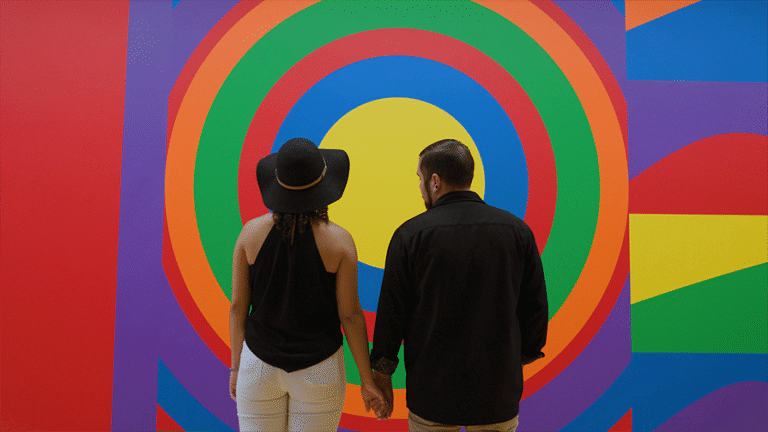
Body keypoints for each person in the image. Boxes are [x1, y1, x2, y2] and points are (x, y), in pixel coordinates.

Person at [370, 139, 548, 431]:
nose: (419, 186)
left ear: (435, 181)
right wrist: (519, 358)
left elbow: (392, 312)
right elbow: (535, 308)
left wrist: (383, 373)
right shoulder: (517, 232)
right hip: (497, 392)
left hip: (432, 394)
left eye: (420, 178)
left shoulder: (410, 235)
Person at [230, 138, 387, 431]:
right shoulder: (340, 242)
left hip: (258, 365)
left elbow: (238, 307)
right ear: (323, 187)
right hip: (319, 368)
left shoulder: (249, 234)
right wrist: (367, 381)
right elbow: (350, 315)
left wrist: (236, 366)